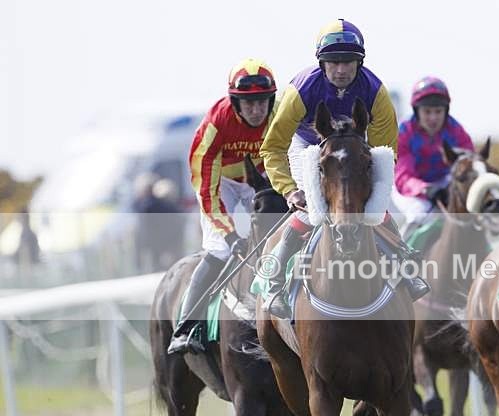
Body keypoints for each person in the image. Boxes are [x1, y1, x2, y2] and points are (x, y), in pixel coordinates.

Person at [259, 18, 429, 319]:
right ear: (322, 64)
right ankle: (273, 277)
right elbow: (272, 147)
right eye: (333, 62)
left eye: (348, 62)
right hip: (309, 146)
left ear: (359, 62)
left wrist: (372, 191)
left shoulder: (376, 93)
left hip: (355, 143)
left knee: (376, 207)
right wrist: (289, 190)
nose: (341, 70)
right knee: (313, 208)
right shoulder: (300, 91)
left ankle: (403, 259)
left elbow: (385, 152)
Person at [167, 58, 279, 354]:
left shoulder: (280, 116)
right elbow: (206, 187)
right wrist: (229, 232)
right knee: (222, 249)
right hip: (221, 185)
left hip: (262, 178)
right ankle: (187, 326)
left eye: (261, 102)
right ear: (235, 103)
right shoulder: (216, 123)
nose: (256, 110)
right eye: (248, 103)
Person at [391, 76, 474, 232]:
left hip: (444, 184)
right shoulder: (403, 132)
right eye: (427, 112)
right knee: (420, 215)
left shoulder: (457, 131)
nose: (433, 118)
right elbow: (403, 177)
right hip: (410, 190)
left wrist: (452, 187)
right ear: (417, 111)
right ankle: (403, 254)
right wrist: (426, 189)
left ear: (446, 110)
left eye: (438, 111)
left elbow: (470, 166)